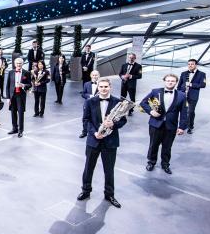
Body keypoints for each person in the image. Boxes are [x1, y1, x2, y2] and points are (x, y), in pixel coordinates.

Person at [77, 78, 127, 208]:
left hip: (110, 141)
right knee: (88, 167)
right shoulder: (90, 102)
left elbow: (123, 121)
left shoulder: (118, 102)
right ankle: (86, 190)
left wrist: (114, 124)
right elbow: (86, 120)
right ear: (98, 88)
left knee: (109, 170)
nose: (103, 89)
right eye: (101, 87)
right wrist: (94, 133)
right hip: (94, 140)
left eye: (106, 86)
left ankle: (109, 194)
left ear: (110, 87)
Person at [139, 74, 188, 174]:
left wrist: (182, 127)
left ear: (176, 82)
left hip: (171, 125)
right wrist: (151, 112)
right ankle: (151, 162)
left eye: (173, 81)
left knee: (167, 146)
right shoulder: (156, 91)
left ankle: (165, 164)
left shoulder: (182, 95)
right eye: (168, 80)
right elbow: (143, 103)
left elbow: (184, 112)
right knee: (153, 145)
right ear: (164, 81)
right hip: (155, 124)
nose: (170, 82)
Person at [179, 59, 207, 134]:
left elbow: (203, 85)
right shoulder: (183, 73)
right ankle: (182, 126)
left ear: (196, 65)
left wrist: (192, 85)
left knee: (190, 111)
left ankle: (190, 126)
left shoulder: (202, 74)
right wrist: (178, 93)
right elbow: (179, 84)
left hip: (193, 96)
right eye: (189, 64)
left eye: (192, 64)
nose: (190, 65)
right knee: (183, 111)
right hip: (183, 94)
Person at [5, 57, 31, 137]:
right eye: (17, 63)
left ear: (22, 64)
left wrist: (23, 85)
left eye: (20, 63)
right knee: (13, 112)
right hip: (12, 96)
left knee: (20, 113)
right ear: (14, 64)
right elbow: (7, 86)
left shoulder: (26, 73)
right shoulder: (11, 72)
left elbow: (30, 84)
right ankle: (14, 128)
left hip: (21, 96)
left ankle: (20, 130)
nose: (19, 65)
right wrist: (8, 98)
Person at [79, 70, 100, 137]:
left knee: (96, 119)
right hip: (87, 104)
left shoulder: (101, 84)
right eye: (93, 75)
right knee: (85, 119)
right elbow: (83, 94)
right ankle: (84, 132)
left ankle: (96, 132)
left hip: (97, 105)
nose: (94, 76)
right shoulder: (86, 84)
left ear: (98, 76)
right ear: (91, 76)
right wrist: (90, 96)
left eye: (96, 75)